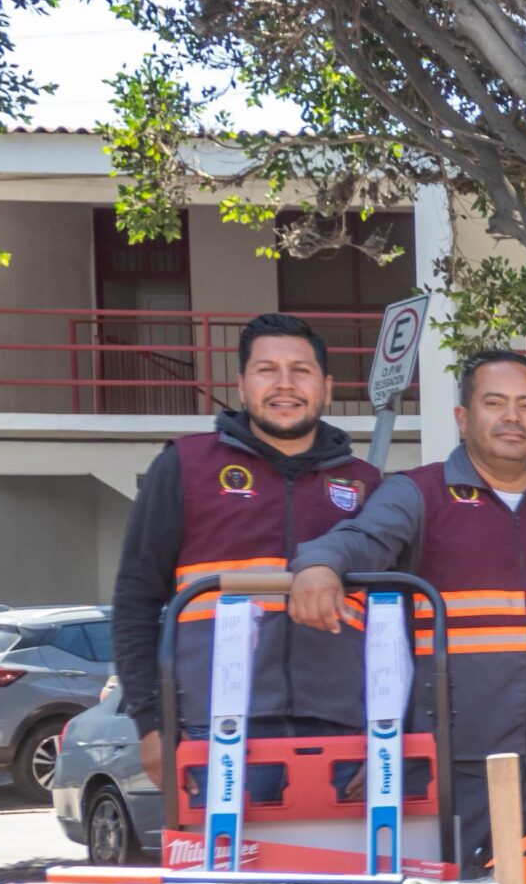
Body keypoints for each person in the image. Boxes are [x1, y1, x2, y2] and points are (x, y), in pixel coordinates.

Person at [286, 350, 526, 871]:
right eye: (495, 402)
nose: (513, 416)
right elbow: (359, 538)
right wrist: (318, 566)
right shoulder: (418, 494)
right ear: (463, 418)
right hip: (453, 768)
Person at [111, 313, 384, 791]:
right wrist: (152, 725)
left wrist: (390, 731)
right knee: (230, 868)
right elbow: (136, 600)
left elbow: (395, 617)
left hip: (346, 734)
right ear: (241, 385)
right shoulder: (183, 467)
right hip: (212, 731)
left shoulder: (367, 484)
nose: (285, 385)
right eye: (267, 370)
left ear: (326, 386)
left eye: (301, 370)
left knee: (342, 868)